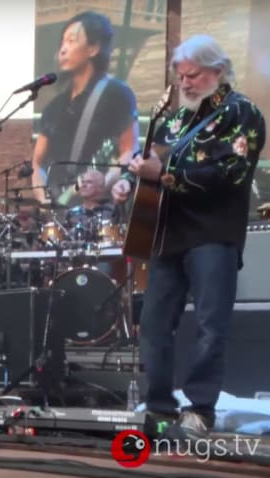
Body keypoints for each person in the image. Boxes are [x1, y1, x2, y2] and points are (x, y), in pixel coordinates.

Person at [112, 34, 266, 439]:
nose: (185, 83)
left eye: (193, 75)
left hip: (213, 234)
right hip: (170, 235)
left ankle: (200, 409)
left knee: (210, 324)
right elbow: (154, 168)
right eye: (180, 77)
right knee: (155, 322)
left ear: (219, 70)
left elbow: (229, 175)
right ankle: (160, 406)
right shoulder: (175, 119)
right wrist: (133, 182)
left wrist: (162, 175)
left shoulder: (242, 112)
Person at [31, 11, 139, 207]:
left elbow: (129, 151)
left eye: (71, 41)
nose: (63, 49)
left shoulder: (117, 94)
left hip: (98, 210)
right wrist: (43, 197)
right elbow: (37, 163)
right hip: (56, 213)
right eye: (62, 42)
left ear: (93, 48)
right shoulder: (54, 107)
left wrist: (104, 184)